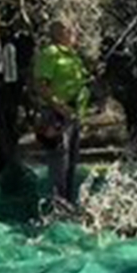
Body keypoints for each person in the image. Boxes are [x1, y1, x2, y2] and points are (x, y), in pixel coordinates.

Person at [33, 20, 91, 209]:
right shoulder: (50, 54)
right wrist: (60, 107)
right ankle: (56, 207)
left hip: (73, 117)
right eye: (70, 29)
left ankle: (67, 205)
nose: (75, 32)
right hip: (56, 116)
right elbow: (41, 86)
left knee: (71, 165)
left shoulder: (74, 57)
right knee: (59, 163)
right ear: (58, 32)